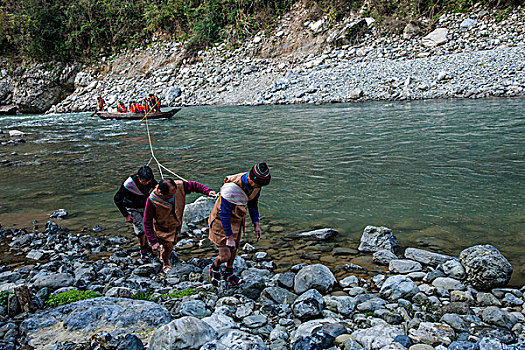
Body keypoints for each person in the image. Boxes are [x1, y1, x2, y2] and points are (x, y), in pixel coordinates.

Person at [208, 163, 271, 286]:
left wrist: (256, 224)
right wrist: (229, 237)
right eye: (257, 185)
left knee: (234, 249)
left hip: (236, 218)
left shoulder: (256, 185)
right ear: (250, 179)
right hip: (221, 221)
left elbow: (253, 204)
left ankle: (228, 273)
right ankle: (214, 266)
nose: (258, 187)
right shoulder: (231, 188)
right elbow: (224, 213)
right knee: (225, 255)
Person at [143, 178, 216, 273]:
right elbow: (147, 222)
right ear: (161, 193)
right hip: (162, 227)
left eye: (174, 192)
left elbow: (194, 186)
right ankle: (165, 263)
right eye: (170, 195)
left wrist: (207, 191)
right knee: (168, 246)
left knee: (171, 244)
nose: (173, 195)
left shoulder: (179, 186)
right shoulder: (152, 200)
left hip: (175, 224)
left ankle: (163, 252)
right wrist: (152, 241)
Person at [114, 166, 158, 259]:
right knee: (141, 229)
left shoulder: (150, 179)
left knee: (149, 225)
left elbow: (156, 187)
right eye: (144, 181)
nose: (146, 183)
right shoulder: (128, 184)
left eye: (148, 181)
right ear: (138, 177)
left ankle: (147, 245)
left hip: (145, 206)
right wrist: (126, 215)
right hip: (132, 207)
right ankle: (143, 248)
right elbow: (117, 199)